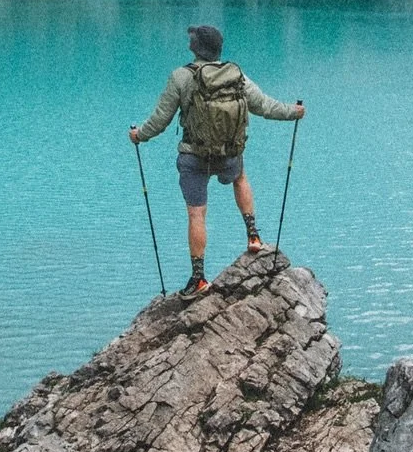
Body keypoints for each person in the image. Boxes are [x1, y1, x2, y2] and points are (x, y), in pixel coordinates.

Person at [129, 23, 305, 296]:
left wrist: (139, 135)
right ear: (218, 49)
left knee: (197, 213)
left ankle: (199, 278)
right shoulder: (236, 76)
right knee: (240, 178)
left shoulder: (181, 77)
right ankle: (253, 235)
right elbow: (264, 106)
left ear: (194, 48)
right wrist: (293, 112)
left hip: (194, 155)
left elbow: (160, 121)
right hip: (229, 153)